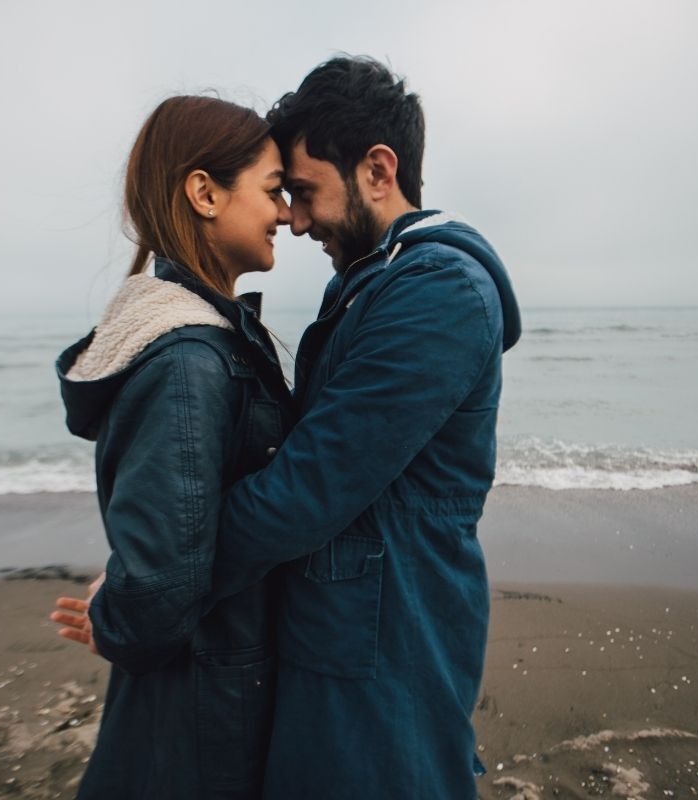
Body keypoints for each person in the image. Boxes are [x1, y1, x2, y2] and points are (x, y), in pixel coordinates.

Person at [204, 57, 522, 799]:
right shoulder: (374, 280)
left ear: (379, 170)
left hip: (389, 642)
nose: (295, 218)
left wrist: (159, 581)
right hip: (349, 632)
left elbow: (308, 486)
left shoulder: (438, 291)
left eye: (306, 193)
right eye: (286, 197)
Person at [49, 95, 293, 799]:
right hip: (207, 708)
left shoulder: (199, 347)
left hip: (206, 687)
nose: (285, 214)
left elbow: (167, 536)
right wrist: (120, 617)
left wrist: (123, 601)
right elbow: (158, 590)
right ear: (204, 193)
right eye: (273, 191)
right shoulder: (189, 364)